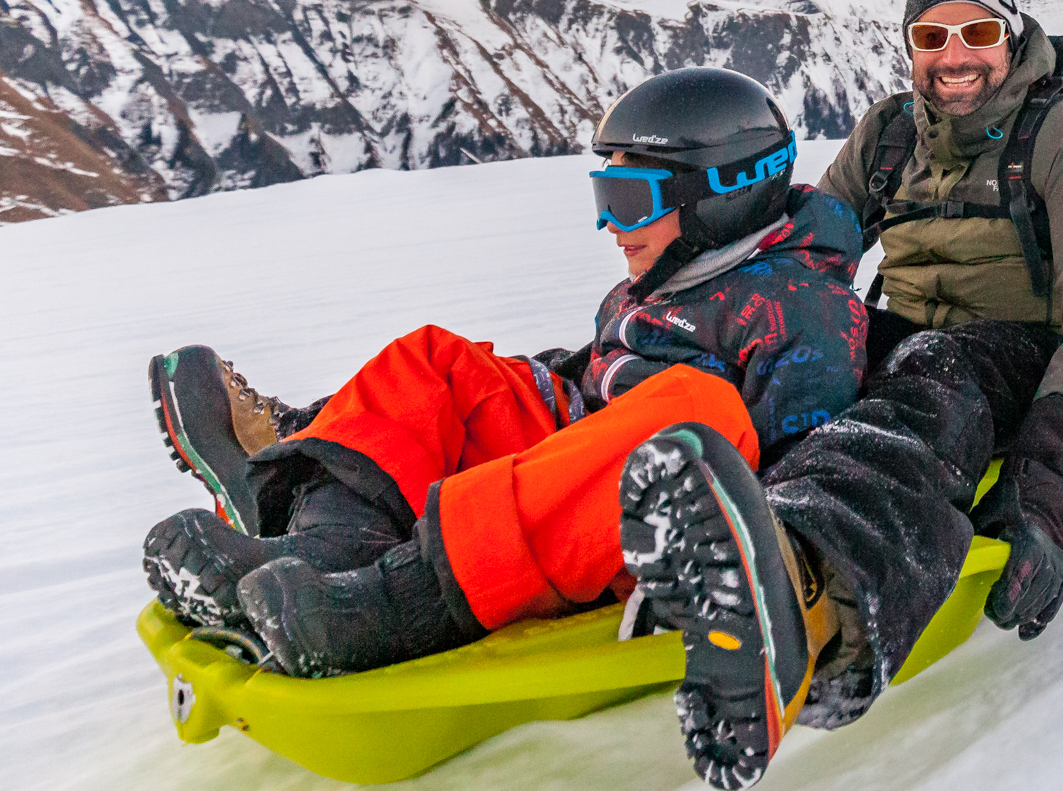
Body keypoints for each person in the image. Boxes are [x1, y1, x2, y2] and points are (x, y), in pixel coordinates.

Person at [141, 69, 861, 711]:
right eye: (604, 195)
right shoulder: (665, 273)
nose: (611, 225)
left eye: (630, 198)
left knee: (697, 412)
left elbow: (790, 486)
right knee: (435, 362)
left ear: (724, 194)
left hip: (641, 516)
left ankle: (401, 603)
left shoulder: (806, 314)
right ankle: (325, 544)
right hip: (571, 458)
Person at [616, 0, 1063, 790]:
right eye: (931, 37)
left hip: (1018, 350)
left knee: (928, 387)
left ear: (1011, 37)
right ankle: (695, 513)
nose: (954, 55)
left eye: (976, 33)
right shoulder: (890, 134)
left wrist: (1048, 467)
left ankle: (812, 583)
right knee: (797, 363)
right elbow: (805, 253)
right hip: (907, 334)